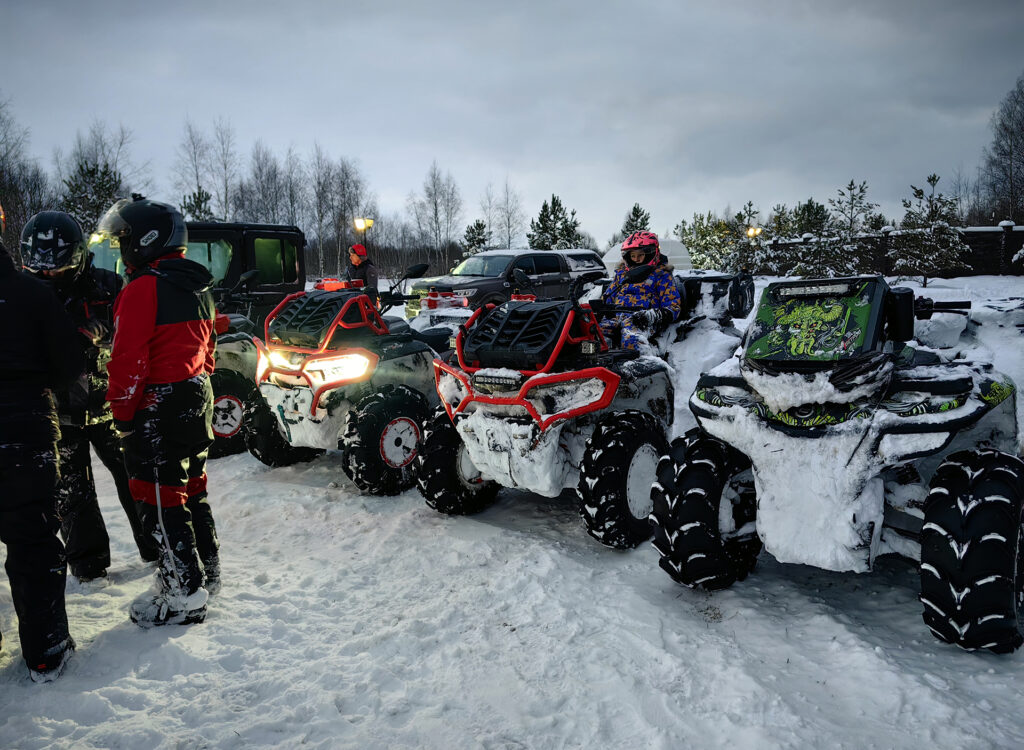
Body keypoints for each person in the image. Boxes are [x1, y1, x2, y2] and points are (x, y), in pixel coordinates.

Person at [97, 195, 220, 627]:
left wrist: (124, 416)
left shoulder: (143, 288)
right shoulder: (197, 283)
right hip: (195, 395)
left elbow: (128, 360)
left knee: (158, 497)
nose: (120, 247)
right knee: (192, 488)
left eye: (124, 239)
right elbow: (208, 352)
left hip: (158, 405)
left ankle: (183, 592)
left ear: (147, 239)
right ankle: (207, 570)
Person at [20, 211, 159, 580]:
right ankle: (89, 565)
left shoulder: (108, 285)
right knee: (72, 492)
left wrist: (104, 336)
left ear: (78, 256)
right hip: (59, 412)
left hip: (112, 406)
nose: (50, 275)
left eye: (59, 267)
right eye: (42, 268)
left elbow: (137, 333)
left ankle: (156, 547)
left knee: (136, 479)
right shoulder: (28, 295)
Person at [0, 200, 83, 681]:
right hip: (25, 430)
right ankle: (46, 649)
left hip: (25, 424)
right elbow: (68, 366)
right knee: (33, 542)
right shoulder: (31, 295)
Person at [601, 231, 681, 351]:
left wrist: (650, 316)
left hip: (643, 321)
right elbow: (607, 298)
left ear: (651, 253)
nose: (636, 259)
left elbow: (673, 307)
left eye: (640, 255)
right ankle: (591, 363)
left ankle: (641, 363)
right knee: (594, 333)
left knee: (631, 338)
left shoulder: (661, 275)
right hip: (618, 318)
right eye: (633, 256)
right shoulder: (622, 275)